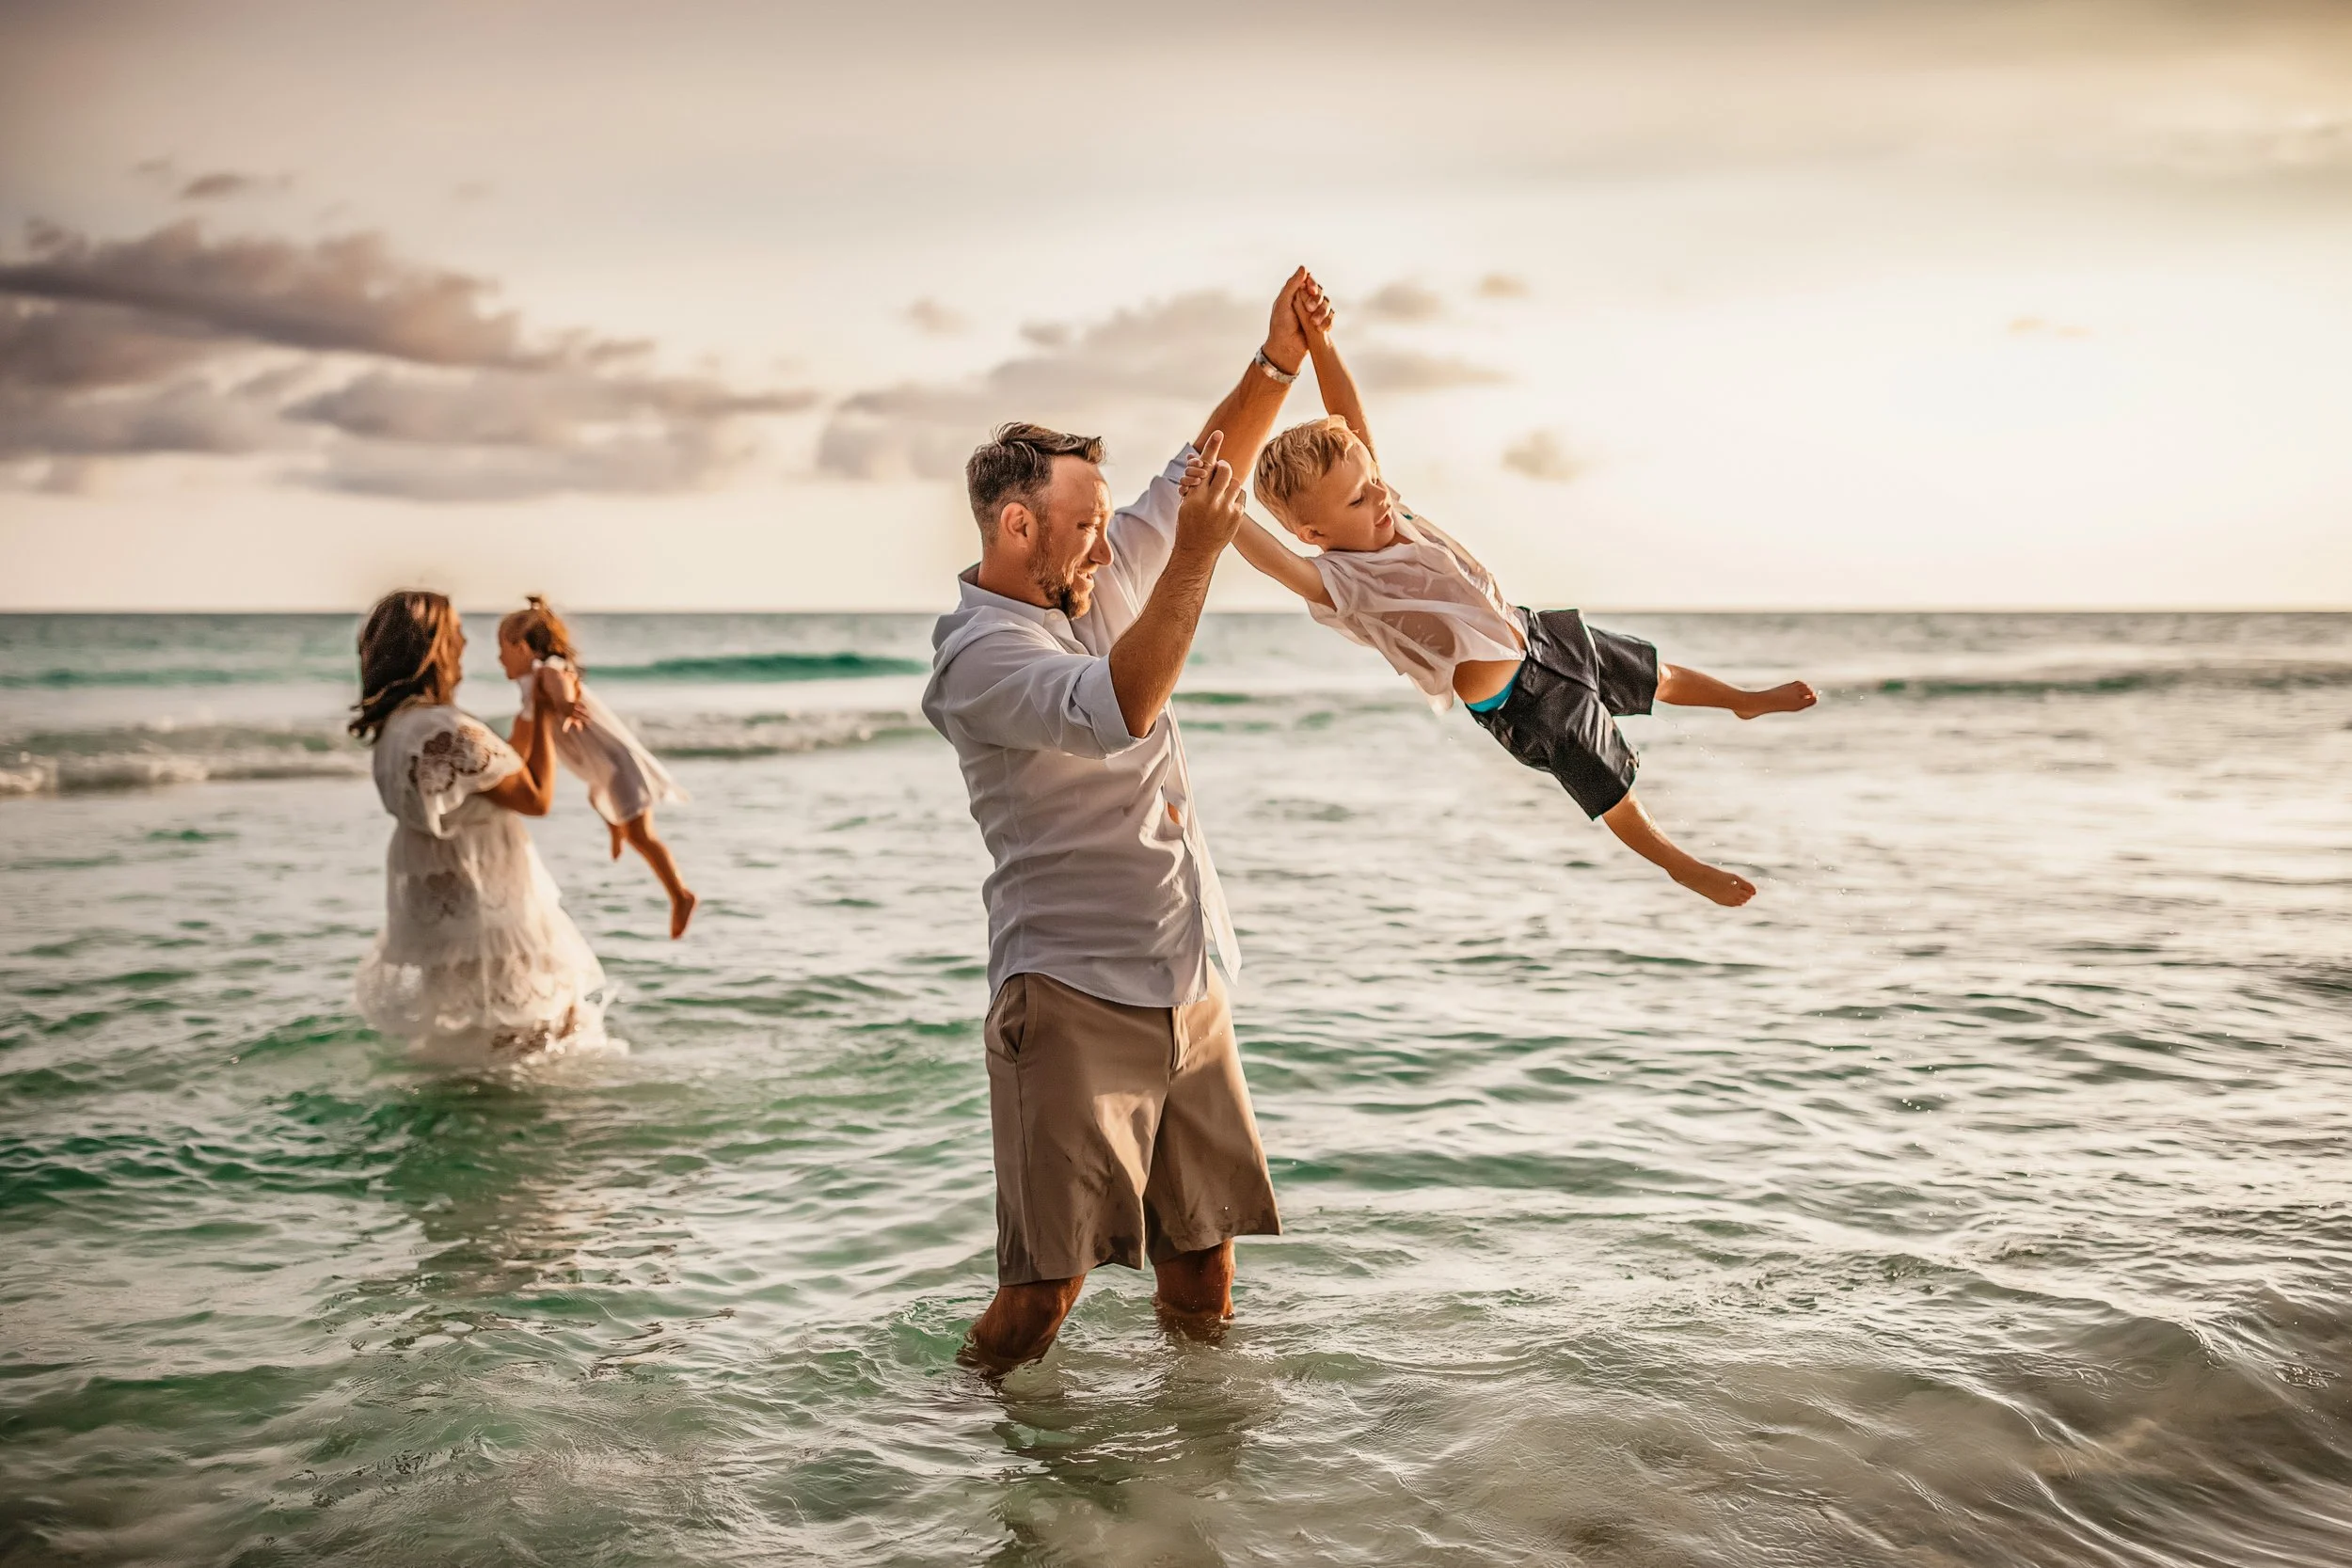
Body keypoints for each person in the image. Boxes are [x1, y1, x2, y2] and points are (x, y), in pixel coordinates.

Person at [922, 268, 1323, 1373]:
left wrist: (1276, 357)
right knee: (1043, 1292)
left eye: (1108, 524)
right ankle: (955, 1449)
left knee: (1204, 1259)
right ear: (1017, 526)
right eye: (1085, 528)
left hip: (1188, 975)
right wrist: (1195, 551)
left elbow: (1206, 465)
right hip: (1070, 991)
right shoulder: (980, 659)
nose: (1107, 547)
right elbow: (1123, 706)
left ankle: (1196, 1468)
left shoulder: (1087, 576)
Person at [1226, 285, 1816, 907]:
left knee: (1657, 672)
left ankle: (1741, 701)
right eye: (1357, 499)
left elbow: (1347, 414)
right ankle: (1680, 864)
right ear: (1315, 532)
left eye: (1373, 483)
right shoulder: (1344, 582)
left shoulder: (1385, 511)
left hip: (1536, 633)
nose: (1380, 497)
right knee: (1607, 785)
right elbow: (1277, 562)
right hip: (1520, 700)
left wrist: (1321, 340)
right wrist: (1224, 509)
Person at [350, 589, 612, 1062]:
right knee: (539, 1029)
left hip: (440, 905)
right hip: (487, 899)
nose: (466, 644)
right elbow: (534, 797)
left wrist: (531, 710)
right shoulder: (445, 729)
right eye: (455, 634)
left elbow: (499, 771)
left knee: (468, 1036)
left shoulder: (397, 729)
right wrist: (548, 713)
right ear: (433, 649)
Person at [498, 595, 698, 940]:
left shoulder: (545, 671)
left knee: (642, 835)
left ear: (522, 648)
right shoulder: (532, 681)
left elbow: (557, 683)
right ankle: (615, 827)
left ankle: (680, 894)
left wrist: (565, 704)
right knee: (598, 796)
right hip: (600, 765)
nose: (499, 658)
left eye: (502, 649)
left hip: (617, 763)